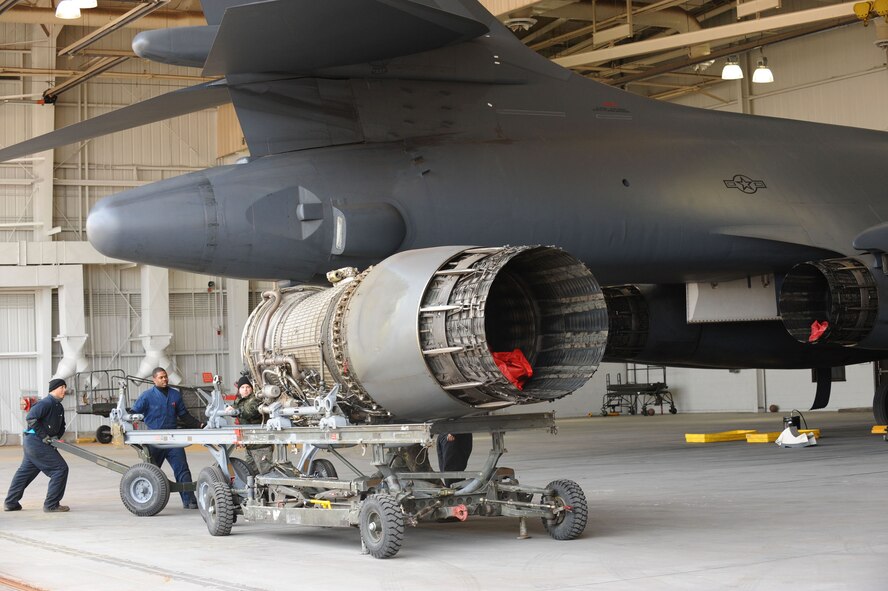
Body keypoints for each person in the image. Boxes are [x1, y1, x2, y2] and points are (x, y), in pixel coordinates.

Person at [131, 367, 203, 509]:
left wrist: (199, 424)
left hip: (172, 440)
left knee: (182, 469)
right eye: (161, 377)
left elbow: (184, 415)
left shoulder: (175, 395)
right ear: (154, 379)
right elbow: (134, 412)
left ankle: (189, 500)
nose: (165, 379)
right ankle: (149, 502)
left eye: (165, 377)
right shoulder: (146, 396)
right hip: (154, 441)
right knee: (151, 472)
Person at [5, 378, 71, 513]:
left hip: (35, 443)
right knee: (60, 469)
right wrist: (44, 436)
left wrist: (55, 437)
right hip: (36, 442)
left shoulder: (58, 406)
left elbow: (62, 425)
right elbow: (31, 418)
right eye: (62, 387)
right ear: (54, 389)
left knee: (25, 473)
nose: (65, 390)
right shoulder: (46, 403)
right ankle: (51, 505)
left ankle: (11, 503)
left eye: (65, 387)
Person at [226, 376, 273, 474]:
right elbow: (235, 410)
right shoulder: (240, 400)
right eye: (242, 387)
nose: (245, 390)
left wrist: (234, 411)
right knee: (250, 473)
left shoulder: (255, 399)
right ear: (239, 389)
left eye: (248, 387)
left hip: (261, 445)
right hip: (250, 444)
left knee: (266, 473)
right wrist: (230, 409)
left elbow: (247, 411)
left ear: (252, 388)